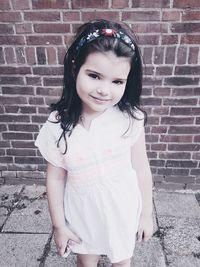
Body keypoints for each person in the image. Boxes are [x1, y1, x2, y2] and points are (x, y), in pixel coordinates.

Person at [35, 19, 153, 267]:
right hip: (82, 212)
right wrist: (59, 225)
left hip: (121, 208)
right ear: (76, 68)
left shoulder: (129, 119)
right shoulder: (57, 125)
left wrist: (145, 215)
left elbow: (141, 169)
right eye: (95, 76)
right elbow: (55, 178)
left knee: (122, 261)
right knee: (85, 262)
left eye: (117, 81)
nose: (104, 90)